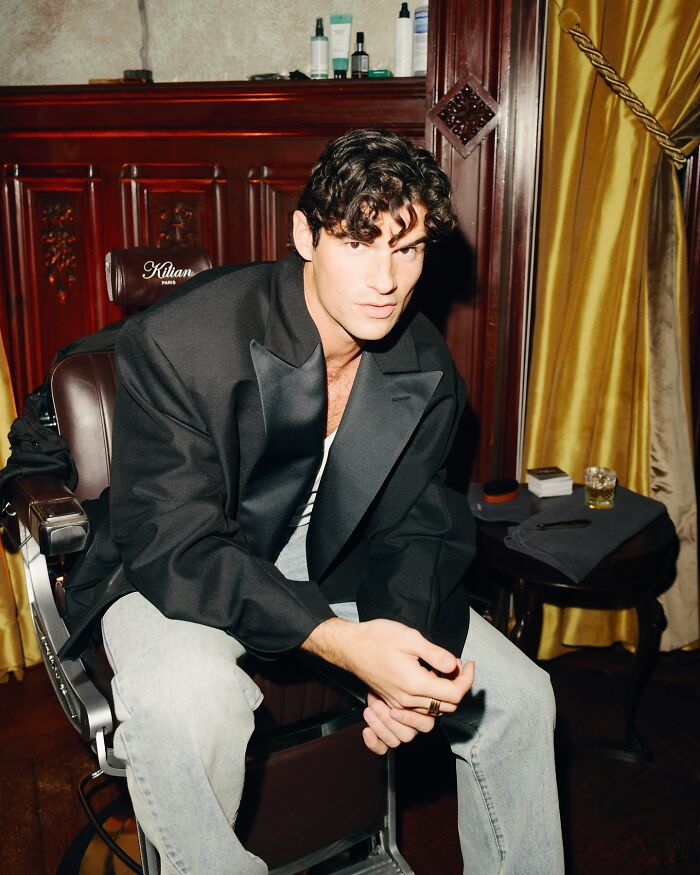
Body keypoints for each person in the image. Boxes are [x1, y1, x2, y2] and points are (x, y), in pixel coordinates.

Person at [71, 129, 563, 873]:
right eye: (359, 242)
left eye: (408, 248)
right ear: (304, 234)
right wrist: (345, 646)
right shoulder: (181, 341)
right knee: (183, 700)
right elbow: (177, 544)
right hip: (184, 569)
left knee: (521, 700)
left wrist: (400, 663)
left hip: (336, 569)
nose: (386, 279)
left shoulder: (424, 361)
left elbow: (421, 528)